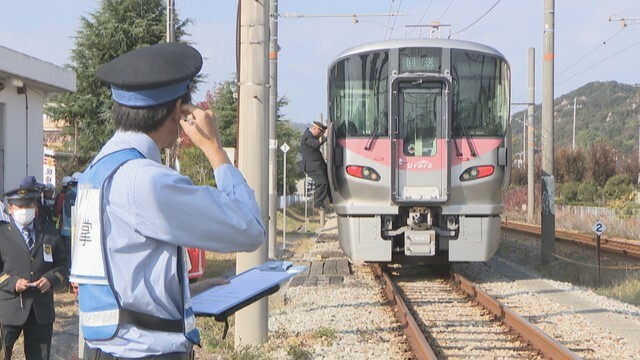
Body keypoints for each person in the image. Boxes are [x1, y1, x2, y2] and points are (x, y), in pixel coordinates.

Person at [71, 42, 266, 358]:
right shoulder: (145, 180)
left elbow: (123, 268)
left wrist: (189, 292)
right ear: (179, 111)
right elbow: (250, 228)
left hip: (105, 348)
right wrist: (215, 150)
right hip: (146, 352)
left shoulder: (99, 169)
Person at [0, 184, 69, 359]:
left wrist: (51, 279)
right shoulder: (2, 235)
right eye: (20, 206)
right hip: (9, 309)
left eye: (29, 206)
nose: (25, 210)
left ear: (36, 208)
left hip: (41, 310)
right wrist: (13, 282)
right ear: (11, 209)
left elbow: (63, 265)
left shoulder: (49, 233)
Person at [299, 121, 333, 211]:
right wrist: (325, 136)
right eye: (320, 131)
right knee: (322, 182)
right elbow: (316, 144)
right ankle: (318, 203)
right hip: (312, 166)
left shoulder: (311, 136)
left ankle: (333, 199)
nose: (320, 134)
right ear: (314, 129)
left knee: (329, 179)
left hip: (319, 164)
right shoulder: (307, 136)